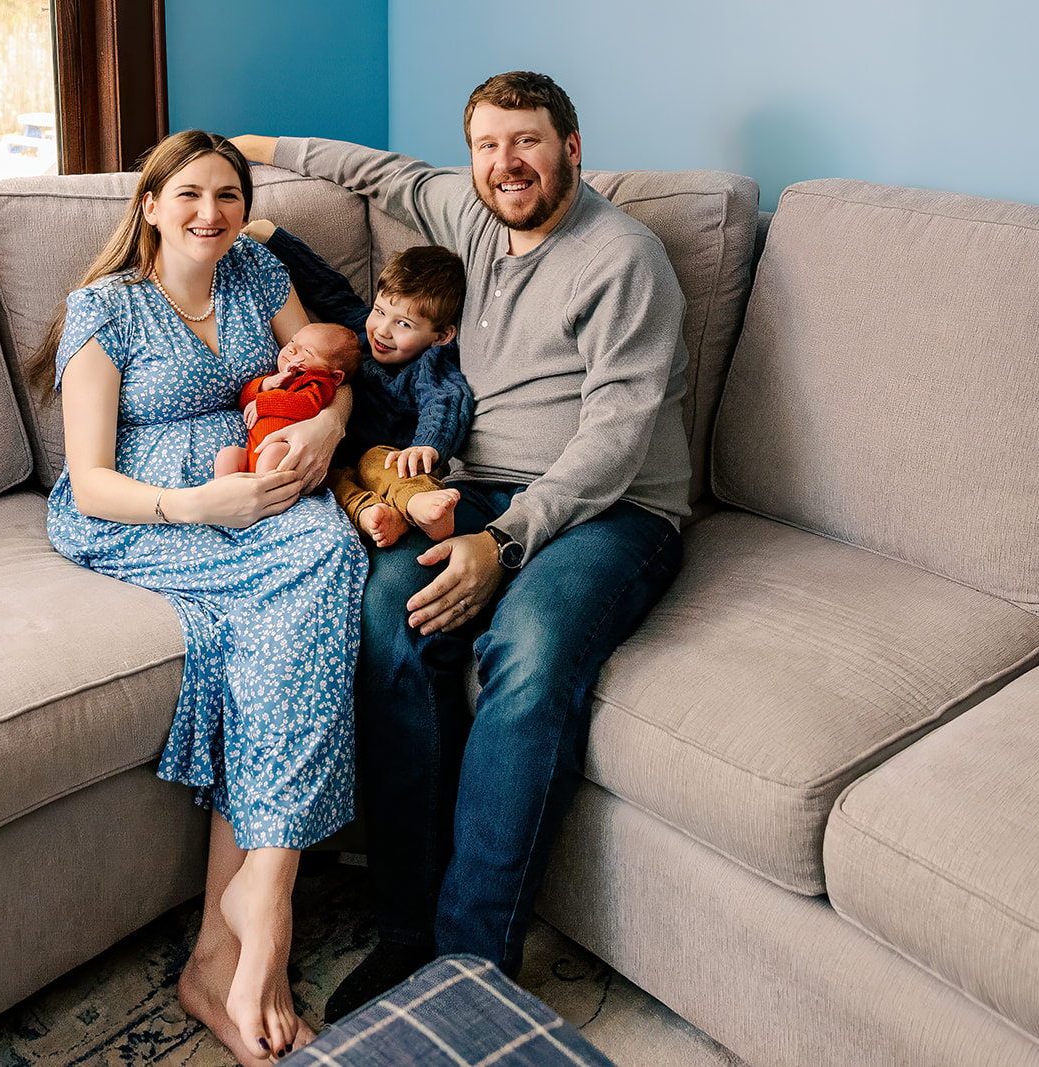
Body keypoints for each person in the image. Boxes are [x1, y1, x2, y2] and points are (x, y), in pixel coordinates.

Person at [231, 69, 691, 1019]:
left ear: (570, 146)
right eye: (486, 144)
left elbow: (616, 438)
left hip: (614, 509)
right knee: (389, 613)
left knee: (526, 652)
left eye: (525, 141)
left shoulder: (623, 258)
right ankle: (406, 925)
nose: (503, 163)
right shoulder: (468, 212)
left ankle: (471, 963)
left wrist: (508, 544)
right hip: (469, 491)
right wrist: (246, 151)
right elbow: (368, 168)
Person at [22, 129, 366, 1064]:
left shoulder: (256, 272)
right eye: (190, 196)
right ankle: (269, 905)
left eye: (226, 195)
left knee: (327, 557)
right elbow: (87, 479)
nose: (210, 213)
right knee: (304, 583)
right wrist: (196, 504)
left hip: (259, 487)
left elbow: (331, 371)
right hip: (148, 508)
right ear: (150, 205)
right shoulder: (106, 309)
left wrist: (328, 431)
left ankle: (230, 938)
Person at [243, 219, 474, 546]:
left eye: (404, 324)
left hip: (394, 461)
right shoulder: (357, 337)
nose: (382, 330)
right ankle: (377, 516)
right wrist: (274, 238)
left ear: (441, 335)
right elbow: (326, 287)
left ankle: (420, 504)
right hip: (342, 460)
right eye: (380, 312)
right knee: (332, 481)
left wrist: (429, 446)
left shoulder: (429, 365)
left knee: (378, 463)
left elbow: (447, 401)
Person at [215, 321, 361, 476]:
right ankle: (227, 495)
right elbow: (245, 403)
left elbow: (307, 405)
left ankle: (265, 495)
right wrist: (268, 383)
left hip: (287, 454)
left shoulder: (319, 383)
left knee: (273, 452)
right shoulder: (278, 379)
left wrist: (264, 403)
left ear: (335, 376)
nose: (291, 348)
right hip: (254, 453)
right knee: (228, 456)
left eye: (307, 351)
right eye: (293, 341)